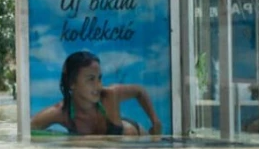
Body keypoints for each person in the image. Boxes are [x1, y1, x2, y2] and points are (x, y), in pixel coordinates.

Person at [30, 51, 162, 136]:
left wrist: (155, 122)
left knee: (127, 133)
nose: (98, 85)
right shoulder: (61, 112)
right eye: (91, 79)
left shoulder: (110, 94)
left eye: (99, 78)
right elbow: (29, 129)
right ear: (72, 83)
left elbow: (139, 91)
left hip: (135, 136)